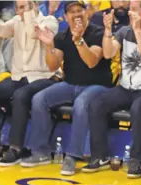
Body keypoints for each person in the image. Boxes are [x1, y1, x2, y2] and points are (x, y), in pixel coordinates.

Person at [21, 0, 113, 175]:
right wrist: (49, 46)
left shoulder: (97, 32)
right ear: (66, 17)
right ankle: (41, 152)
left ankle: (72, 155)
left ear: (87, 13)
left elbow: (92, 61)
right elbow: (52, 65)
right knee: (39, 99)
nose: (77, 14)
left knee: (81, 103)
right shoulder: (62, 36)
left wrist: (79, 41)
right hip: (71, 84)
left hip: (98, 86)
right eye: (72, 12)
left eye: (80, 10)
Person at [81, 0, 141, 176]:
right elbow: (108, 53)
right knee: (96, 104)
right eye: (130, 10)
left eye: (134, 10)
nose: (130, 13)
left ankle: (137, 159)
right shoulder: (124, 32)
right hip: (124, 88)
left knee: (138, 108)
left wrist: (138, 31)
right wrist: (107, 32)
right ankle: (100, 156)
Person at [0, 0, 59, 166]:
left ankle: (16, 147)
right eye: (20, 8)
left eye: (26, 7)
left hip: (44, 77)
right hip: (19, 77)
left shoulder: (49, 21)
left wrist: (28, 13)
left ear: (35, 6)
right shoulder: (16, 22)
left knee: (20, 95)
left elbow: (32, 32)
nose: (22, 12)